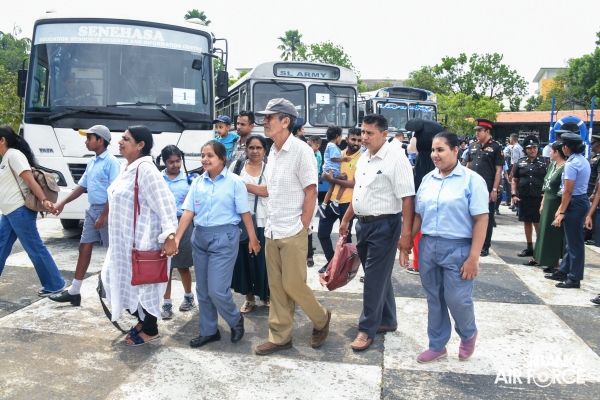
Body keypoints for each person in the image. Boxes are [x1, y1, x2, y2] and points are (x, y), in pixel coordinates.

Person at [253, 98, 331, 356]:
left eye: (269, 117)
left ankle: (321, 318)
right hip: (272, 229)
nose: (264, 121)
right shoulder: (273, 153)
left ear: (285, 121)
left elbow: (311, 192)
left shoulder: (301, 151)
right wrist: (242, 185)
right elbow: (270, 190)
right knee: (276, 288)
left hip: (293, 230)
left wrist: (302, 227)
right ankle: (280, 336)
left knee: (294, 285)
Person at [403, 132, 488, 363]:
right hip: (429, 245)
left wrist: (474, 258)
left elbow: (481, 219)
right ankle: (437, 344)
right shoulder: (428, 179)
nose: (435, 154)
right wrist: (407, 241)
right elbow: (419, 215)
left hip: (458, 248)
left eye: (440, 149)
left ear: (455, 150)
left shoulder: (471, 180)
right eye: (433, 150)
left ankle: (468, 333)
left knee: (457, 299)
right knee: (434, 298)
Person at [339, 113, 415, 351]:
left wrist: (406, 235)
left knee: (372, 278)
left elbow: (407, 198)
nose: (364, 137)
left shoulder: (396, 159)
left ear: (384, 134)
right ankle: (388, 319)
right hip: (363, 224)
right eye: (363, 132)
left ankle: (367, 329)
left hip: (385, 225)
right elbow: (359, 193)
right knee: (378, 275)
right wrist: (346, 219)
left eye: (370, 133)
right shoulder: (364, 158)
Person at [175, 140, 259, 348]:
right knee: (203, 290)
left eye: (210, 155)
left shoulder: (235, 182)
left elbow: (244, 213)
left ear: (222, 158)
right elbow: (189, 211)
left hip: (224, 238)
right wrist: (177, 238)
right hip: (200, 237)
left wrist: (253, 238)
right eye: (203, 155)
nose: (205, 159)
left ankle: (235, 319)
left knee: (217, 290)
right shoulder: (198, 182)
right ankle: (209, 331)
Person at [101, 125, 178, 346]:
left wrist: (170, 237)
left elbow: (166, 203)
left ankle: (151, 329)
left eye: (126, 139)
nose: (120, 142)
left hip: (144, 240)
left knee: (145, 285)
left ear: (140, 145)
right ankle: (142, 321)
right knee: (117, 280)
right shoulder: (126, 168)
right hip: (123, 241)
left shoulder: (146, 169)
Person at [49, 125, 120, 305]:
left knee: (112, 252)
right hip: (92, 210)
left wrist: (104, 215)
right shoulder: (92, 162)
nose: (86, 142)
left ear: (100, 140)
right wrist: (62, 203)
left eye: (89, 138)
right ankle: (74, 291)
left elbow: (114, 191)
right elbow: (81, 187)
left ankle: (116, 291)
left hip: (107, 211)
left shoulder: (111, 162)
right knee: (84, 248)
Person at [0, 126, 66, 297]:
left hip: (19, 211)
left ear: (2, 140)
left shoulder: (14, 155)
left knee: (34, 247)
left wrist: (44, 200)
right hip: (9, 212)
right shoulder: (6, 158)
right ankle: (54, 283)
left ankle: (55, 284)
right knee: (1, 247)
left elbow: (30, 181)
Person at [545, 133, 591, 289]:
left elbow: (568, 191)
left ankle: (574, 277)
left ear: (566, 147)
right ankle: (564, 270)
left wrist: (562, 211)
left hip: (574, 202)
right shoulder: (582, 160)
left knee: (575, 243)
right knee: (571, 241)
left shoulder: (571, 164)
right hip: (580, 200)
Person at [230, 135, 270, 312]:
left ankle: (266, 295)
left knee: (264, 260)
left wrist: (242, 185)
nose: (255, 151)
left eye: (259, 148)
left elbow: (269, 191)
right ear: (246, 149)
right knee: (244, 261)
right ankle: (249, 298)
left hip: (263, 220)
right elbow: (228, 188)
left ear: (264, 150)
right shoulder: (237, 166)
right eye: (251, 147)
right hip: (241, 222)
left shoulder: (270, 169)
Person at [155, 145, 195, 319]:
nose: (175, 165)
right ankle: (167, 303)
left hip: (183, 225)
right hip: (164, 225)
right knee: (166, 267)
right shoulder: (158, 179)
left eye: (178, 161)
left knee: (183, 265)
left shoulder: (189, 180)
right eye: (171, 162)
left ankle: (189, 297)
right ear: (164, 162)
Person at [318, 128, 362, 273]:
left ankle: (343, 267)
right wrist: (326, 177)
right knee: (322, 234)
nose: (356, 143)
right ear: (346, 139)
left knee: (345, 239)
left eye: (359, 140)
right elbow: (325, 173)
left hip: (347, 205)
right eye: (353, 139)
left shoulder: (362, 159)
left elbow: (355, 183)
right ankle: (332, 263)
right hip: (331, 202)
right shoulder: (338, 153)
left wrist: (333, 180)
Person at [404, 118, 443, 275]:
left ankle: (418, 264)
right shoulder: (437, 161)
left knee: (418, 226)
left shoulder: (424, 161)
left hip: (420, 207)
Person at [525, 141, 567, 271]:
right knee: (543, 231)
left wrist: (560, 209)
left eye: (551, 151)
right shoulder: (552, 165)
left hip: (556, 202)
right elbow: (546, 184)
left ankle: (553, 262)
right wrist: (542, 202)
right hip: (547, 201)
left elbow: (564, 190)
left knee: (553, 233)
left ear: (557, 152)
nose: (549, 153)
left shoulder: (565, 167)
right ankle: (539, 257)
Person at [465, 118, 503, 257]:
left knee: (486, 217)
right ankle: (471, 241)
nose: (477, 133)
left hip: (487, 188)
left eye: (480, 130)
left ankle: (485, 245)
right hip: (471, 188)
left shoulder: (495, 147)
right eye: (476, 131)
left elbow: (498, 170)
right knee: (469, 215)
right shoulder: (473, 146)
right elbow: (467, 166)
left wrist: (494, 190)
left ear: (487, 131)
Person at [511, 136, 546, 258]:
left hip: (538, 196)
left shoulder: (544, 162)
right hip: (524, 195)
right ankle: (529, 247)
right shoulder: (521, 162)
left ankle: (540, 248)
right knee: (526, 221)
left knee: (537, 222)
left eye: (534, 147)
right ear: (525, 150)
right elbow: (515, 179)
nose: (532, 150)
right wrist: (514, 194)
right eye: (529, 148)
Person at [318, 126, 351, 216]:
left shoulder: (330, 145)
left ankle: (323, 205)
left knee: (331, 188)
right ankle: (336, 202)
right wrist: (344, 159)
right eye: (341, 136)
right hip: (332, 170)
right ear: (337, 136)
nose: (341, 138)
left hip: (329, 169)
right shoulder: (332, 146)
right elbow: (333, 158)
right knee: (345, 180)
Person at [307, 135, 323, 267]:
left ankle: (309, 254)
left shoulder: (315, 156)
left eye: (309, 145)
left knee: (308, 226)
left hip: (310, 194)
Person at [584, 136, 600, 245]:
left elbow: (599, 177)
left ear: (598, 145)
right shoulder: (593, 156)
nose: (591, 146)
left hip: (595, 189)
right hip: (589, 187)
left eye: (593, 144)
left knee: (593, 212)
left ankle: (593, 235)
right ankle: (588, 234)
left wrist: (594, 192)